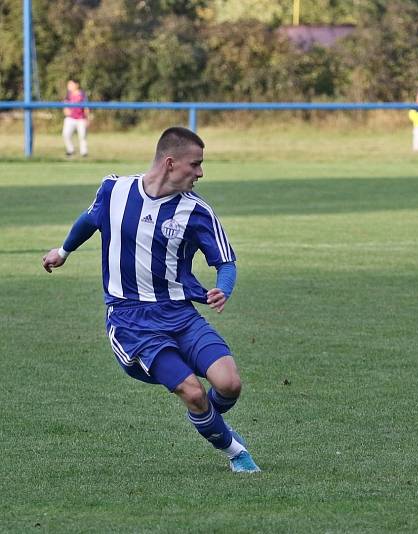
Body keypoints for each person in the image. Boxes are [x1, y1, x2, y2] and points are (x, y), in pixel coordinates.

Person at [42, 127, 261, 473]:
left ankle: (206, 417)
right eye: (196, 164)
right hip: (132, 322)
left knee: (229, 384)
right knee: (192, 392)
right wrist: (63, 251)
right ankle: (237, 453)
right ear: (171, 163)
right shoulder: (115, 190)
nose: (201, 173)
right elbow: (89, 220)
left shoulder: (196, 211)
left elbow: (225, 261)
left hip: (181, 315)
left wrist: (224, 287)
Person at [63, 79, 90, 158]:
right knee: (66, 134)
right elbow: (65, 104)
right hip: (70, 118)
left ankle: (84, 153)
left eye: (71, 84)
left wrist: (87, 118)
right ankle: (70, 150)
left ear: (76, 85)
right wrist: (65, 110)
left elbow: (86, 107)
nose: (69, 86)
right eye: (68, 85)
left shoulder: (82, 94)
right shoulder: (68, 94)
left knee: (82, 136)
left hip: (81, 118)